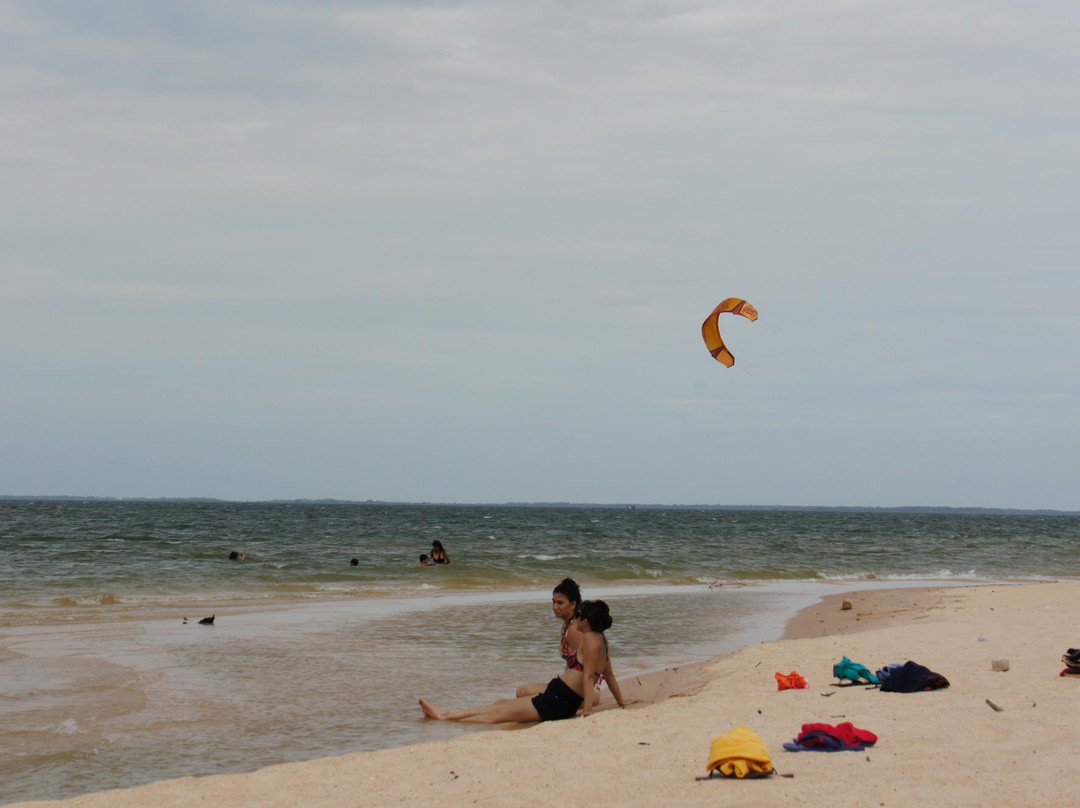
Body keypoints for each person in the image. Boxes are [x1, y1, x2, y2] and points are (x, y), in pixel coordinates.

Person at [418, 600, 627, 723]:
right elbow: (608, 675)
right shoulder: (601, 640)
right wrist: (622, 703)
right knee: (501, 704)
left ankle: (446, 715)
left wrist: (588, 709)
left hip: (558, 703)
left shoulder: (591, 640)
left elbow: (590, 676)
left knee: (499, 714)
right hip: (557, 696)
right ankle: (448, 713)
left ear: (586, 622)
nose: (576, 620)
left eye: (579, 617)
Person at [516, 578, 583, 698]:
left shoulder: (574, 629)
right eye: (554, 602)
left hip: (583, 690)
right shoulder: (568, 625)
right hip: (573, 685)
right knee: (523, 693)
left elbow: (581, 668)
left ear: (573, 604)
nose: (555, 607)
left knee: (523, 692)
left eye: (560, 603)